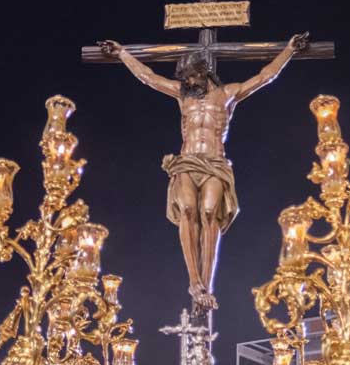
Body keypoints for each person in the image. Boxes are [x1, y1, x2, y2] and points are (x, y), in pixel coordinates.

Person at [100, 34, 309, 311]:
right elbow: (148, 77)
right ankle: (194, 281)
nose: (188, 82)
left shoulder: (227, 95)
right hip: (187, 161)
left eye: (191, 77)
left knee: (210, 214)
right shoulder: (182, 95)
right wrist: (123, 53)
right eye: (185, 79)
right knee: (187, 209)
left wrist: (289, 50)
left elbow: (264, 76)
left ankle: (206, 285)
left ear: (204, 72)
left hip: (215, 162)